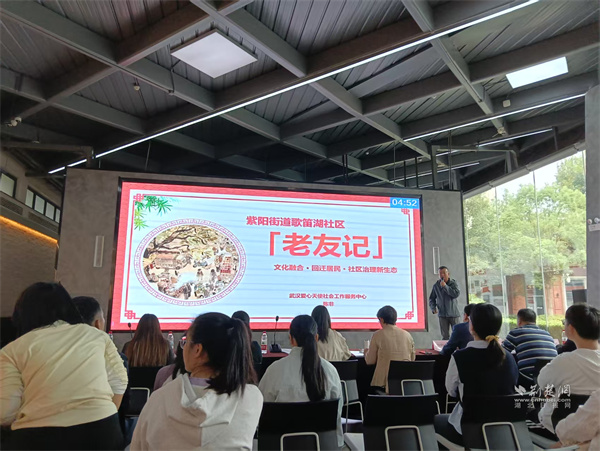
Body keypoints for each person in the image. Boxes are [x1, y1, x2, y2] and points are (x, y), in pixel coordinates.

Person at [0, 283, 128, 450]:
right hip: (102, 432)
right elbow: (119, 381)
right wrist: (104, 414)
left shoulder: (11, 351)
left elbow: (5, 412)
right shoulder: (95, 335)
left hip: (37, 437)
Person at [131, 313, 262, 449]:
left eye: (185, 342)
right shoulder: (251, 397)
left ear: (198, 350)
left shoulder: (159, 399)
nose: (183, 348)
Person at [435, 303, 518, 445]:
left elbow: (452, 391)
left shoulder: (459, 357)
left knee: (437, 420)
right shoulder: (509, 357)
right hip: (504, 430)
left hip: (468, 430)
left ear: (471, 327)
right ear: (498, 328)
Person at [259, 315, 344, 448]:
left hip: (281, 446)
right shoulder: (330, 371)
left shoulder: (274, 370)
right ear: (316, 338)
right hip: (323, 446)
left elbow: (261, 410)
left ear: (291, 338)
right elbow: (337, 414)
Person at [72, 296, 132, 437]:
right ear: (98, 324)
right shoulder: (115, 360)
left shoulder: (49, 354)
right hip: (103, 431)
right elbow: (121, 406)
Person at [537, 304, 600, 433]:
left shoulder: (563, 361)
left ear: (570, 329)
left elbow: (542, 382)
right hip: (595, 428)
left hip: (559, 425)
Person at [364, 305, 415, 393]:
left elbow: (370, 361)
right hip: (404, 384)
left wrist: (365, 352)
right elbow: (412, 359)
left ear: (381, 319)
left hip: (383, 384)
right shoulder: (407, 335)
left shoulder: (378, 335)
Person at [502, 308, 557, 386]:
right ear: (535, 321)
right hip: (550, 379)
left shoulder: (516, 332)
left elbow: (501, 352)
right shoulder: (547, 334)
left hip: (528, 379)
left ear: (519, 321)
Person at [429, 266, 461, 340]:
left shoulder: (453, 283)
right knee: (445, 336)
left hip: (453, 314)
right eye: (440, 273)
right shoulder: (436, 285)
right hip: (442, 315)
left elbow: (456, 294)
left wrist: (445, 286)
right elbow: (431, 298)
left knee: (457, 334)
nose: (442, 275)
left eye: (444, 273)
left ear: (448, 274)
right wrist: (433, 308)